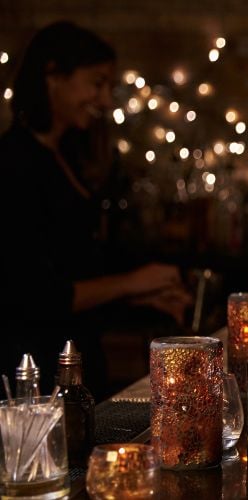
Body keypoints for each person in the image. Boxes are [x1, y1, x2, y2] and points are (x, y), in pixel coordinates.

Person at [1, 22, 189, 397]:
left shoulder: (65, 155)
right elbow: (35, 295)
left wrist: (140, 297)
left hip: (76, 368)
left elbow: (75, 269)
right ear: (53, 76)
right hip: (35, 379)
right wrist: (134, 282)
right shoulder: (13, 163)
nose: (105, 100)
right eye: (96, 82)